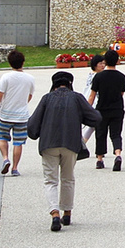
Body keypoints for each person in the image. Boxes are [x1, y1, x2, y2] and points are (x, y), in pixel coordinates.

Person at [27, 71, 101, 231]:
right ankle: (67, 213)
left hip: (49, 143)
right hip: (70, 143)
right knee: (68, 178)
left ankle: (54, 213)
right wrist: (80, 118)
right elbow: (95, 117)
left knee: (50, 180)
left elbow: (32, 126)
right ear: (70, 84)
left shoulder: (46, 98)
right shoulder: (76, 98)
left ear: (53, 84)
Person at [0, 50, 35, 176]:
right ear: (23, 62)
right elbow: (30, 96)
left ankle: (5, 158)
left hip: (6, 114)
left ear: (10, 63)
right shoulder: (30, 78)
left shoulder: (6, 77)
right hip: (22, 116)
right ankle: (15, 168)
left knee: (2, 137)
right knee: (18, 142)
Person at [88, 48, 125, 171]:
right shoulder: (122, 77)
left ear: (105, 61)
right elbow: (122, 93)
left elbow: (92, 95)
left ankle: (100, 159)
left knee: (101, 133)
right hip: (117, 108)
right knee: (116, 133)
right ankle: (117, 154)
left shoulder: (99, 77)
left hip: (102, 109)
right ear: (117, 61)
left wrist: (87, 110)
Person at [81, 54, 105, 144]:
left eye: (104, 63)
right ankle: (82, 143)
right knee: (96, 125)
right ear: (95, 64)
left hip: (89, 100)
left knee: (94, 126)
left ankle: (83, 143)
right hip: (93, 102)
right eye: (100, 63)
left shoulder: (92, 74)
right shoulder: (97, 76)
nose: (103, 65)